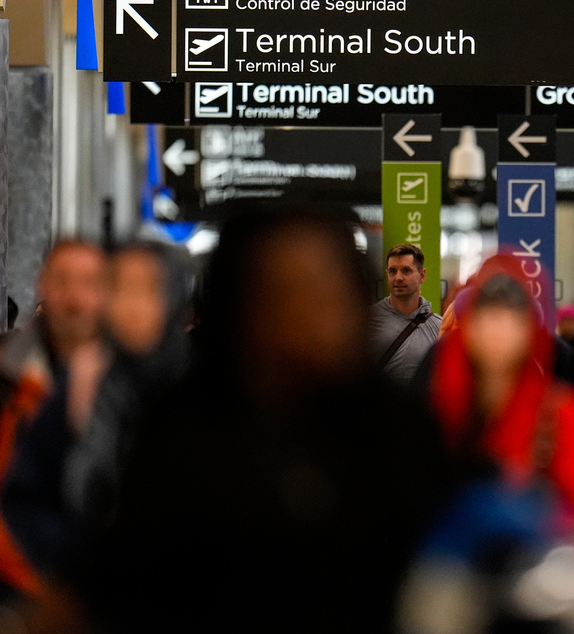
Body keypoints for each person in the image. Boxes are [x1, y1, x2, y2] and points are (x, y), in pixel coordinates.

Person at [79, 210, 453, 634]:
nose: (316, 313)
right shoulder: (184, 431)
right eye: (287, 291)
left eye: (331, 289)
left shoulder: (398, 432)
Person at [1, 242, 191, 586]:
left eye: (147, 290)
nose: (131, 306)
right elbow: (26, 494)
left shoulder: (201, 388)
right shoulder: (77, 382)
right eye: (119, 288)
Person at [427, 255, 574, 525]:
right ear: (469, 328)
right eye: (489, 316)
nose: (499, 331)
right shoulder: (439, 404)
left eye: (512, 319)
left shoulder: (562, 413)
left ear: (530, 330)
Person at [0, 240, 107, 604]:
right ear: (42, 286)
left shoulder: (135, 383)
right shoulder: (7, 378)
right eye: (62, 281)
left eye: (89, 283)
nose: (74, 298)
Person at [369, 243, 442, 385]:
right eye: (392, 271)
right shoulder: (368, 321)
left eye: (406, 271)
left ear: (422, 275)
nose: (398, 278)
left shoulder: (438, 326)